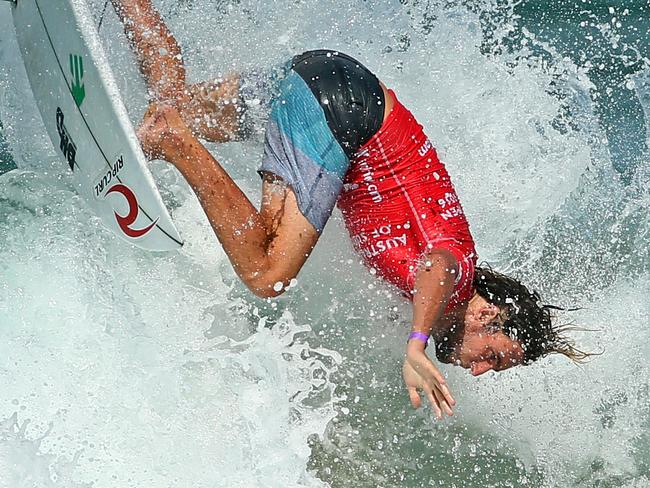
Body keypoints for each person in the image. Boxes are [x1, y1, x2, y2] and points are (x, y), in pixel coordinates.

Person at [111, 0, 589, 419]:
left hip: (327, 83)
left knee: (171, 104)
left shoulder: (438, 290)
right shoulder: (458, 275)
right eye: (495, 357)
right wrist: (416, 343)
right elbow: (437, 265)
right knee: (267, 274)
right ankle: (173, 140)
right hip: (341, 111)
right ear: (488, 316)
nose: (480, 370)